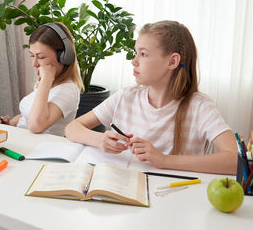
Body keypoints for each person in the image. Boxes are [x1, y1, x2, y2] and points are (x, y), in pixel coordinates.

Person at [65, 20, 237, 174]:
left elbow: (236, 161)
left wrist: (163, 160)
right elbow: (72, 128)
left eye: (143, 54)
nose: (134, 61)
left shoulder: (200, 107)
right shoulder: (125, 98)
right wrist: (100, 139)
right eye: (136, 53)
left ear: (172, 61)